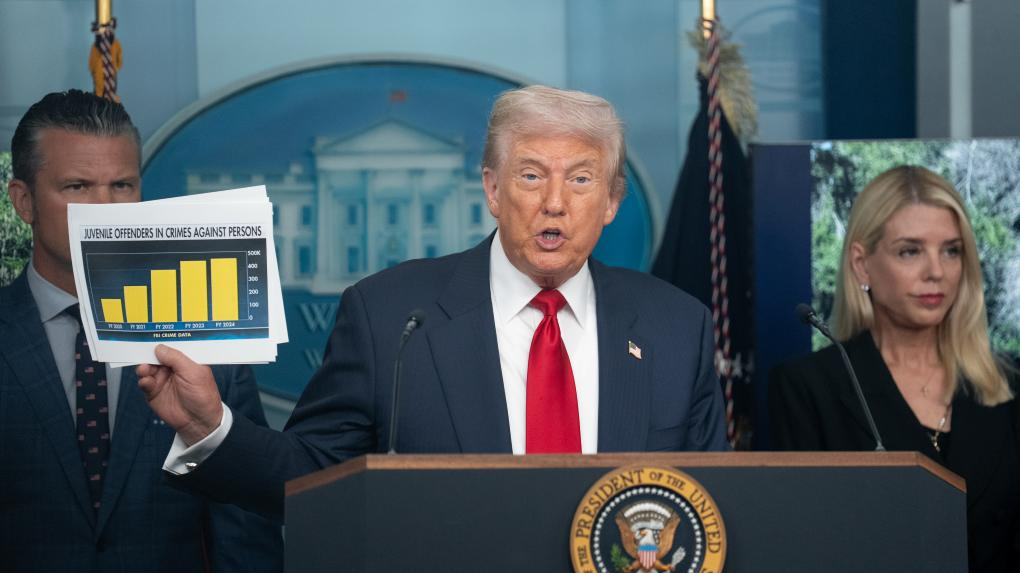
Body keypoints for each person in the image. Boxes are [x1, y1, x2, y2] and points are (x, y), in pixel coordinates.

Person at [138, 85, 729, 521]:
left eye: (580, 179)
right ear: (492, 190)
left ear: (611, 201)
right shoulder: (390, 315)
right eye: (530, 176)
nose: (555, 202)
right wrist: (209, 427)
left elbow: (712, 506)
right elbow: (311, 479)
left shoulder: (675, 326)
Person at [0, 90, 283, 572]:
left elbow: (244, 527)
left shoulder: (208, 339)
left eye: (122, 186)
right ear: (23, 201)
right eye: (77, 187)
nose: (104, 208)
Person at [769, 165, 1020, 572]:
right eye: (911, 251)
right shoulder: (809, 387)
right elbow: (804, 548)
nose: (936, 271)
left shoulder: (1010, 383)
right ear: (862, 265)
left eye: (951, 250)